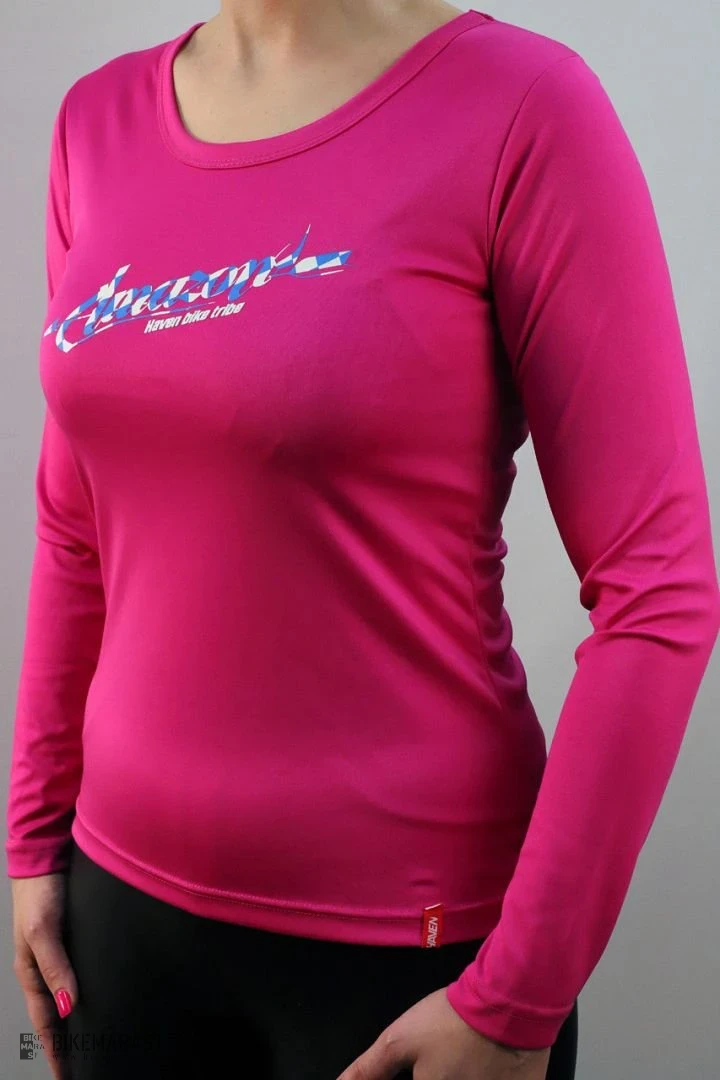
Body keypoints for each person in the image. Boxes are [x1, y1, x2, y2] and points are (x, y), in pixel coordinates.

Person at [6, 1, 719, 1078]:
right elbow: (75, 526)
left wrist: (518, 998)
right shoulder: (93, 124)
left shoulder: (524, 111)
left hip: (407, 956)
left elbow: (658, 588)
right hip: (119, 917)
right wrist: (32, 835)